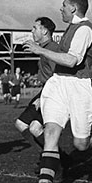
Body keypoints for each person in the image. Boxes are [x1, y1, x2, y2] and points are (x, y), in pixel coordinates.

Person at [24, 0, 92, 183]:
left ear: (73, 7)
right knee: (51, 132)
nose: (60, 8)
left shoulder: (85, 30)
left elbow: (72, 61)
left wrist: (40, 50)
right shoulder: (71, 28)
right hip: (58, 84)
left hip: (80, 87)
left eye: (63, 5)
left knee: (80, 144)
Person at [14, 17, 69, 169]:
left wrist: (44, 96)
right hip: (46, 91)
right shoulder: (46, 48)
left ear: (44, 31)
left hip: (52, 92)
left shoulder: (51, 49)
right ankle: (49, 158)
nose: (32, 31)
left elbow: (57, 76)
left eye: (35, 27)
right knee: (24, 125)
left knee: (32, 127)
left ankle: (54, 161)